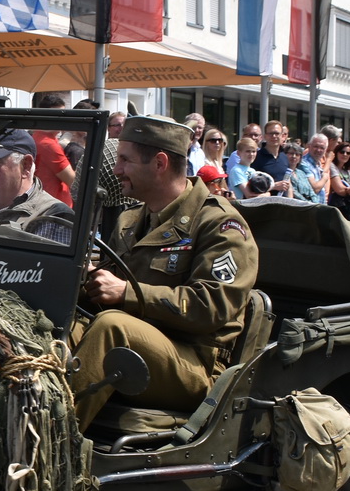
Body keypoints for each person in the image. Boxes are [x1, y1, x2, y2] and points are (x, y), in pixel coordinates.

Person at [70, 117, 258, 429]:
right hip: (141, 347)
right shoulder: (130, 221)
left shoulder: (220, 226)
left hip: (195, 362)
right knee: (62, 328)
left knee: (111, 327)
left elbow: (212, 306)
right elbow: (106, 289)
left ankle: (52, 446)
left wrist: (125, 292)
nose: (117, 170)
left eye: (125, 160)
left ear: (159, 163)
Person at [30, 93, 76, 206]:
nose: (63, 119)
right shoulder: (48, 144)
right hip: (55, 208)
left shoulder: (38, 137)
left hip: (45, 204)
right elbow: (73, 181)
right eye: (58, 115)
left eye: (63, 114)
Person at [251, 120, 292, 196]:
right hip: (265, 204)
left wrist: (291, 203)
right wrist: (274, 186)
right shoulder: (256, 157)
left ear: (282, 136)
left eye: (276, 133)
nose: (274, 136)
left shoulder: (285, 157)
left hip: (284, 205)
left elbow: (289, 184)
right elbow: (251, 185)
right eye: (271, 133)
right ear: (265, 136)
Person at [292, 134, 330, 204]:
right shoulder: (303, 163)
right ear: (309, 146)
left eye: (322, 148)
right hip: (310, 209)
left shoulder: (318, 163)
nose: (318, 150)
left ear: (326, 150)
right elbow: (315, 188)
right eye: (316, 146)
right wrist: (325, 177)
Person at [326, 141, 350, 219]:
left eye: (348, 153)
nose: (345, 155)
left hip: (348, 207)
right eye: (342, 152)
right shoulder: (332, 166)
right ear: (336, 153)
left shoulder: (347, 170)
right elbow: (340, 190)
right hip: (336, 207)